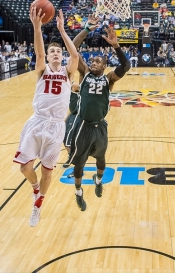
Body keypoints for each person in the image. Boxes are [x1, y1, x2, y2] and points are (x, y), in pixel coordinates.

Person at [13, 8, 79, 227]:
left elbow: (75, 55)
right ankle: (34, 188)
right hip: (37, 121)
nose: (55, 54)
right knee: (25, 168)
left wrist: (61, 30)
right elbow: (39, 54)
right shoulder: (42, 70)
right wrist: (37, 27)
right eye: (52, 52)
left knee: (47, 173)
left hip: (56, 126)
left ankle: (38, 204)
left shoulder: (68, 73)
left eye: (57, 52)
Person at [67, 16, 130, 211]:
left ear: (104, 66)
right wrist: (86, 29)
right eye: (92, 60)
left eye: (97, 61)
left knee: (101, 159)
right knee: (79, 164)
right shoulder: (84, 73)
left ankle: (99, 180)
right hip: (83, 125)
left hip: (100, 125)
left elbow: (125, 67)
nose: (93, 63)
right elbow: (72, 50)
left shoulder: (109, 79)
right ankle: (78, 193)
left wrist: (116, 46)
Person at [63, 81, 80, 172]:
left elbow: (79, 86)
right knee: (64, 138)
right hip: (72, 115)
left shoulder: (74, 85)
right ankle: (71, 156)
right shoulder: (66, 90)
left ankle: (77, 166)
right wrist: (66, 118)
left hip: (77, 116)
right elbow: (72, 106)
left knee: (70, 141)